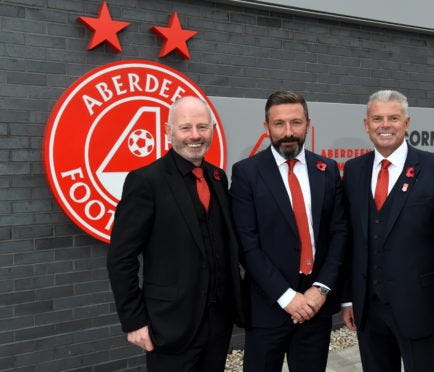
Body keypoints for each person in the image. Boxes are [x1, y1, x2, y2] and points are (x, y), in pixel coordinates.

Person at [106, 96, 244, 371]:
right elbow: (121, 257)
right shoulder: (145, 181)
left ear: (213, 130)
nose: (195, 136)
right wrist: (134, 321)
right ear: (168, 131)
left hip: (218, 323)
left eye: (202, 127)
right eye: (186, 128)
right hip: (169, 324)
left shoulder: (217, 177)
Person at [341, 90, 434, 372]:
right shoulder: (353, 171)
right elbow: (351, 240)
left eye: (393, 118)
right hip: (368, 310)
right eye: (377, 118)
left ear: (407, 122)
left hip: (420, 310)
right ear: (366, 124)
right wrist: (349, 298)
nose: (384, 125)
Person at [230, 90, 347, 372]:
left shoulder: (327, 169)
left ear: (308, 123)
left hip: (315, 308)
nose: (288, 132)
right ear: (266, 127)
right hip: (268, 307)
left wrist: (321, 289)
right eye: (279, 124)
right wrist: (287, 297)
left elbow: (340, 233)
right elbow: (247, 244)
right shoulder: (247, 173)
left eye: (296, 122)